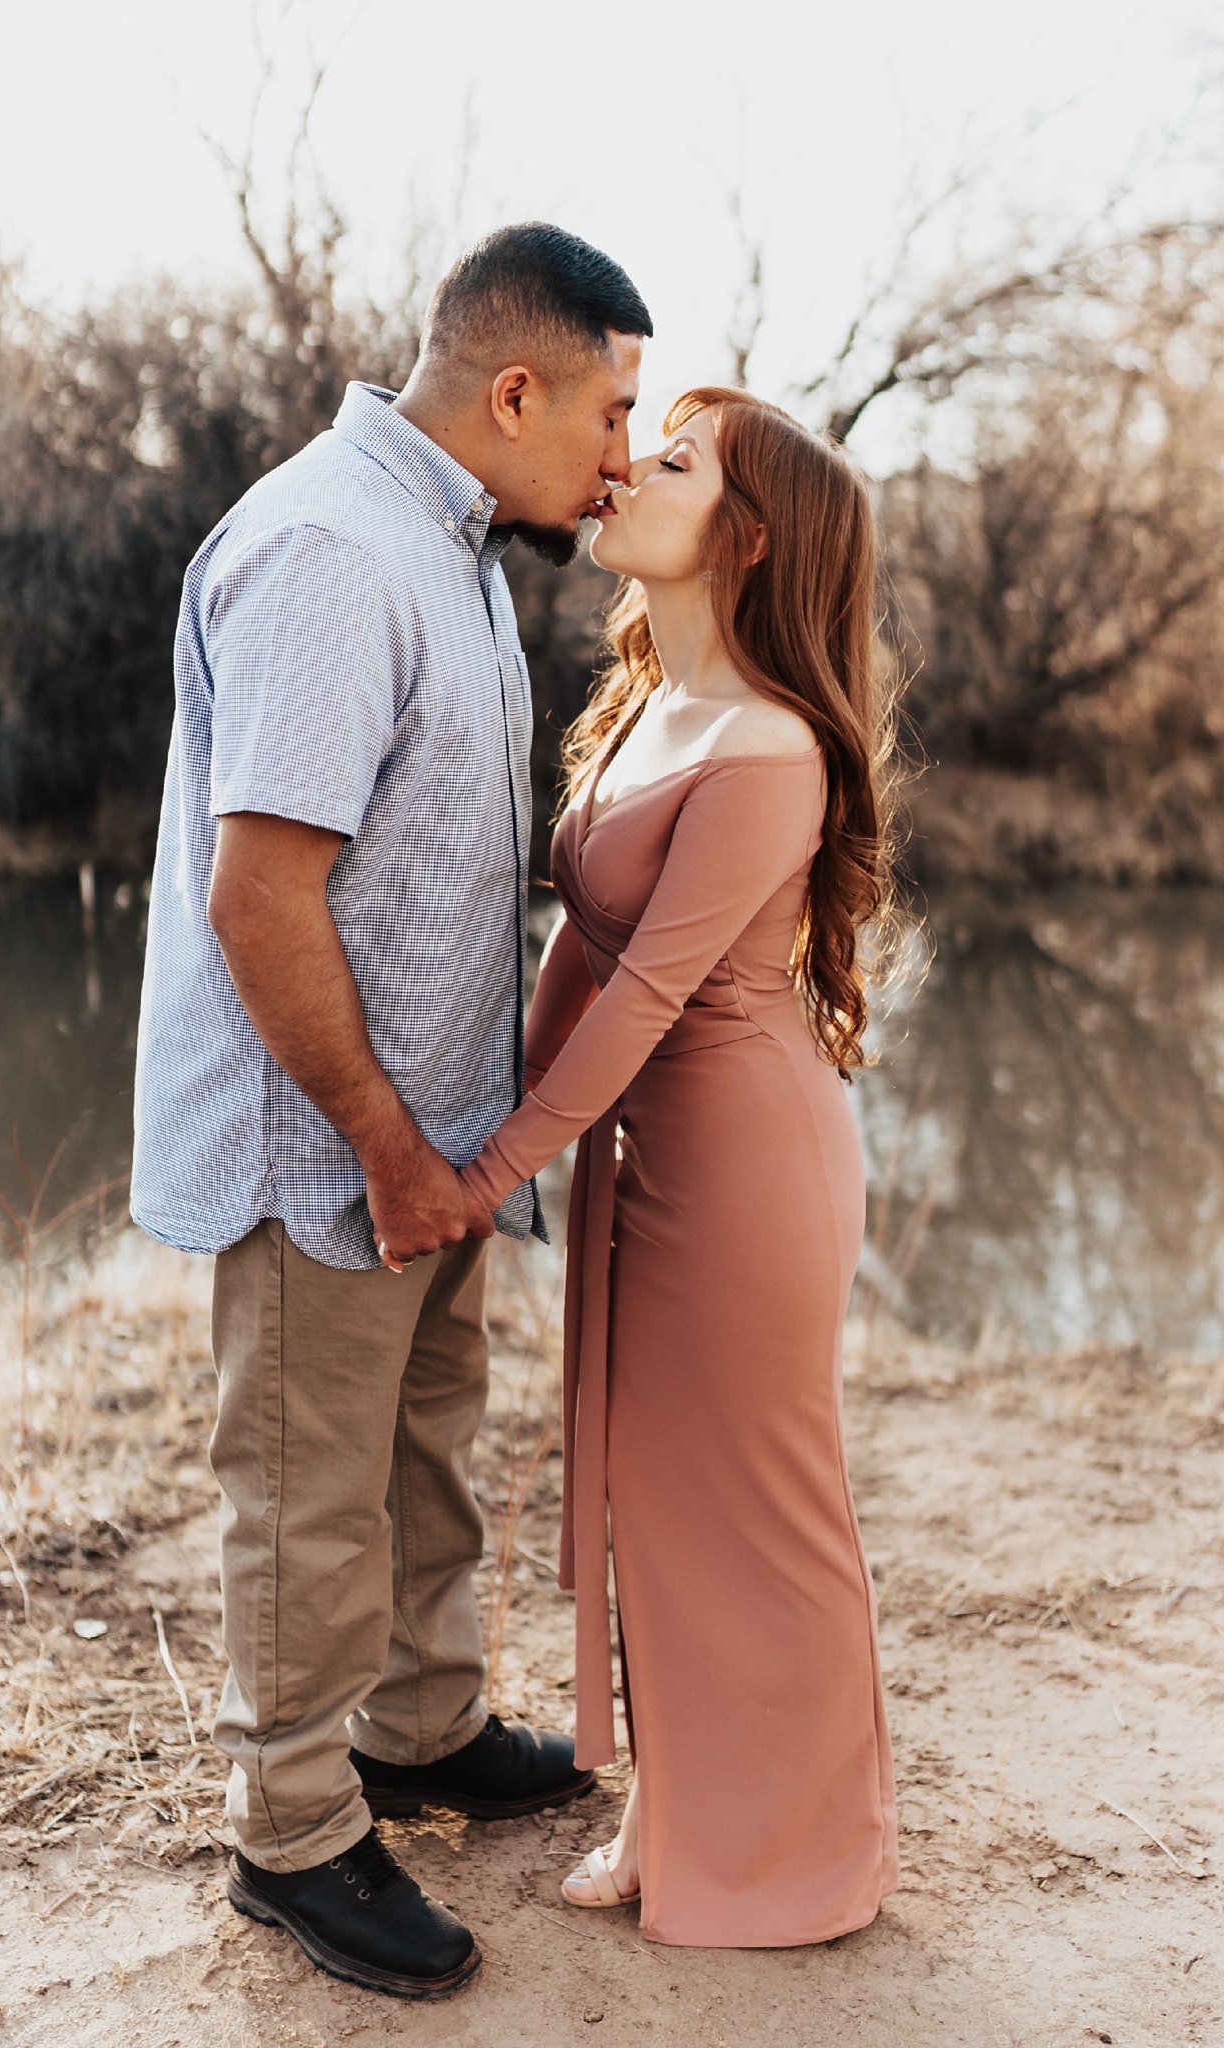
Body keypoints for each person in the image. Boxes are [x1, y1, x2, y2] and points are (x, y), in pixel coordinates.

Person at [130, 223, 652, 1999]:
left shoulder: (445, 544)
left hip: (428, 1149)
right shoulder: (331, 552)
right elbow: (258, 898)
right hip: (330, 1150)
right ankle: (288, 1834)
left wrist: (457, 1152)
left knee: (424, 1453)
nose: (616, 457)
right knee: (308, 1491)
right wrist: (384, 1146)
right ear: (514, 389)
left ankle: (419, 1731)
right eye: (608, 409)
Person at [458, 386, 904, 1945]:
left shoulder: (772, 749)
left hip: (749, 1171)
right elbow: (584, 951)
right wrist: (492, 1116)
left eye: (673, 458)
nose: (625, 466)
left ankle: (815, 1844)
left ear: (749, 535)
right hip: (647, 1159)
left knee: (766, 1502)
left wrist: (494, 1161)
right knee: (651, 1493)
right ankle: (672, 1791)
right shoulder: (651, 699)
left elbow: (650, 997)